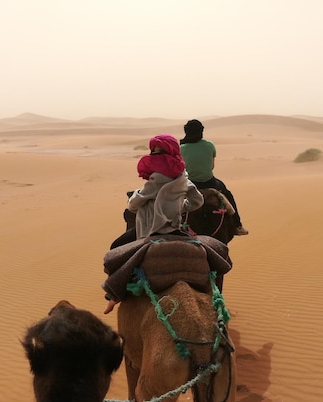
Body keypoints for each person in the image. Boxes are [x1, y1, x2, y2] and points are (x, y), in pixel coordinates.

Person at [104, 133, 204, 313]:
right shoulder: (184, 178)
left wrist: (136, 194)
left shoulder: (155, 179)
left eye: (157, 152)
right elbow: (198, 202)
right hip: (176, 229)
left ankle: (113, 295)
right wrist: (180, 206)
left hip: (151, 232)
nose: (156, 156)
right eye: (154, 152)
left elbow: (133, 205)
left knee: (117, 248)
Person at [180, 119, 248, 236]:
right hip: (209, 183)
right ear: (201, 131)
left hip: (188, 184)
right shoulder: (209, 145)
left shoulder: (180, 148)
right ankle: (237, 225)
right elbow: (211, 166)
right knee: (227, 194)